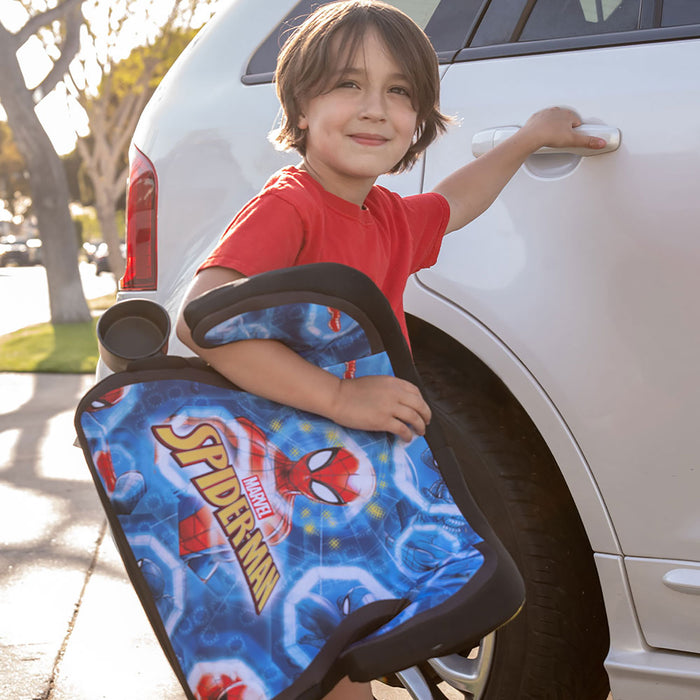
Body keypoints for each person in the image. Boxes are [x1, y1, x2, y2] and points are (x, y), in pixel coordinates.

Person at [175, 2, 605, 697]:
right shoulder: (291, 206)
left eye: (398, 91)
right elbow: (199, 321)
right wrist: (339, 396)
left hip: (350, 482)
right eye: (348, 84)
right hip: (283, 489)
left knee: (348, 656)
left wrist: (526, 139)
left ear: (418, 120)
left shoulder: (386, 217)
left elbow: (455, 202)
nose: (375, 108)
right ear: (302, 106)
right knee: (323, 662)